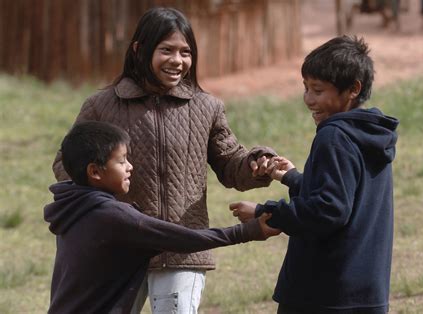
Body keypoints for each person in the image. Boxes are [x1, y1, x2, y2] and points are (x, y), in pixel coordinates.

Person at [51, 7, 276, 313]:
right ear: (139, 50)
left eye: (186, 52)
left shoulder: (206, 107)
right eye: (166, 50)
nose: (177, 61)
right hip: (117, 249)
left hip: (181, 248)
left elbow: (230, 164)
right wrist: (106, 209)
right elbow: (67, 164)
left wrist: (255, 164)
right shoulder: (101, 105)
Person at [230, 35, 399, 313]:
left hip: (323, 294)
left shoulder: (333, 136)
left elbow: (328, 211)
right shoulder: (370, 134)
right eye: (306, 88)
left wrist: (265, 211)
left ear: (353, 89)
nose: (308, 99)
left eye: (318, 90)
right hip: (365, 292)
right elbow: (344, 195)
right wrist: (293, 178)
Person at [45, 121, 279, 314]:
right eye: (121, 160)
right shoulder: (111, 216)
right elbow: (181, 239)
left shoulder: (72, 206)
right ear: (95, 172)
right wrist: (247, 231)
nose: (130, 167)